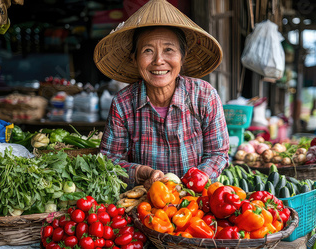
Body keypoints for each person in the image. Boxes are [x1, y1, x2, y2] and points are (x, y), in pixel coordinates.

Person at [93, 0, 229, 189]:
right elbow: (109, 161)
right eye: (148, 50)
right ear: (134, 59)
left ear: (183, 57)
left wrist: (193, 182)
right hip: (144, 204)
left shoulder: (204, 95)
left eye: (169, 50)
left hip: (195, 205)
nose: (158, 61)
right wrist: (140, 172)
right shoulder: (123, 103)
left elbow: (218, 153)